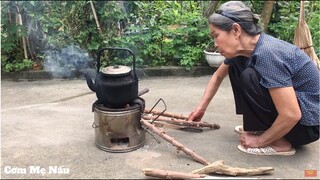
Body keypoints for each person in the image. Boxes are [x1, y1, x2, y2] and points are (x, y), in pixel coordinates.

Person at [188, 1, 319, 156]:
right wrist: (201, 108)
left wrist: (259, 142)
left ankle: (279, 142)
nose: (215, 44)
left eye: (216, 36)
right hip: (296, 118)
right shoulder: (243, 51)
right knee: (237, 68)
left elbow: (292, 114)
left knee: (249, 75)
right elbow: (217, 76)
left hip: (307, 125)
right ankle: (261, 129)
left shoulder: (267, 53)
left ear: (236, 30)